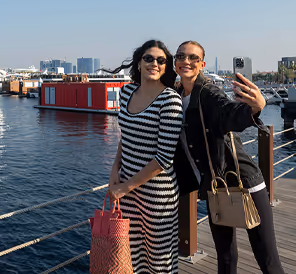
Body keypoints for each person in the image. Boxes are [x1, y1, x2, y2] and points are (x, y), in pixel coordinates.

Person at [173, 40, 284, 274]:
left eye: (193, 58)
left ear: (202, 64)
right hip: (217, 187)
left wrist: (253, 108)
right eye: (181, 56)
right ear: (175, 63)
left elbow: (227, 111)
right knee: (225, 259)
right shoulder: (175, 96)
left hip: (246, 184)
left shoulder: (208, 93)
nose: (186, 61)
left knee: (268, 260)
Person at [107, 40, 183, 274]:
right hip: (127, 191)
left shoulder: (170, 100)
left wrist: (125, 187)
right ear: (139, 63)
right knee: (130, 259)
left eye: (161, 60)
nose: (154, 64)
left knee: (159, 264)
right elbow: (126, 137)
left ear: (166, 67)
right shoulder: (127, 91)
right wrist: (114, 171)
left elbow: (163, 159)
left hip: (157, 195)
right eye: (149, 58)